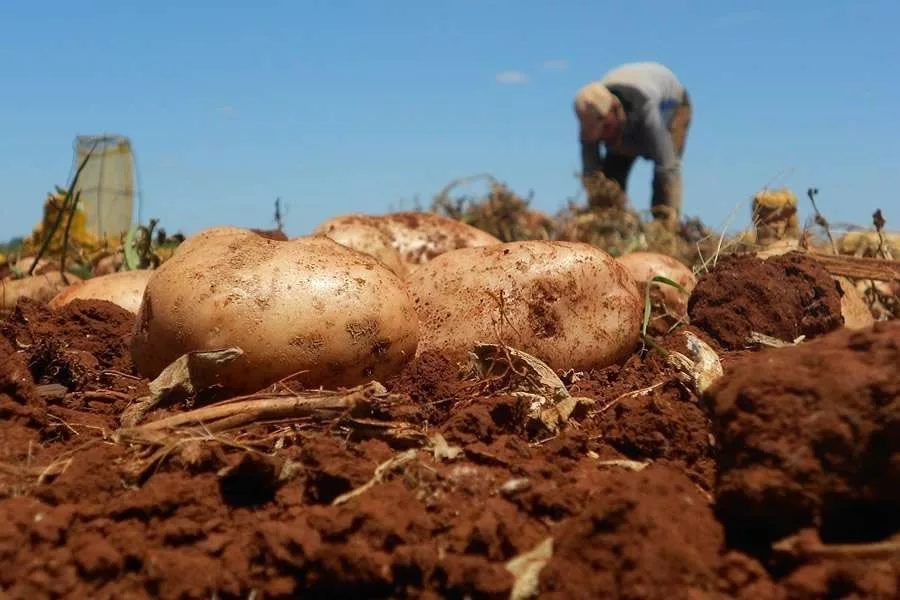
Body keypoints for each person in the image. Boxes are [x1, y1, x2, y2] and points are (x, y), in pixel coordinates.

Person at [574, 62, 691, 227]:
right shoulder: (589, 117)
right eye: (597, 134)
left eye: (605, 128)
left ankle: (664, 225)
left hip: (672, 105)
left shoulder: (645, 111)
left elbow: (668, 166)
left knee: (664, 171)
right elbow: (592, 174)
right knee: (611, 177)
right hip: (627, 123)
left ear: (614, 110)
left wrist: (668, 218)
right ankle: (613, 225)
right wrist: (597, 209)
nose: (603, 137)